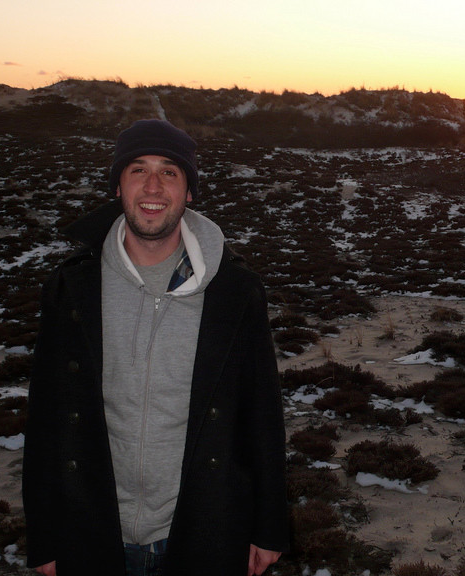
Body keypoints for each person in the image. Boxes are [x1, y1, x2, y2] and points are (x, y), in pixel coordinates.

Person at [22, 119, 289, 576]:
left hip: (205, 527)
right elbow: (46, 415)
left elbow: (261, 413)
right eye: (137, 170)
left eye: (169, 172)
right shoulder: (72, 287)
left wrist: (268, 528)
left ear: (189, 192)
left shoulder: (235, 290)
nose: (152, 186)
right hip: (92, 529)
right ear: (118, 187)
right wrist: (44, 535)